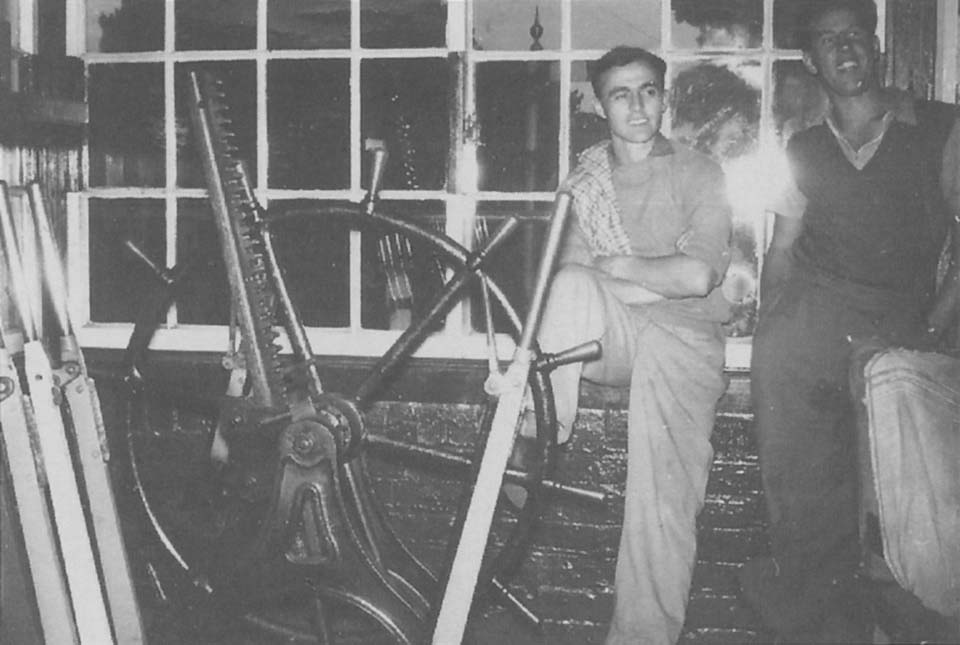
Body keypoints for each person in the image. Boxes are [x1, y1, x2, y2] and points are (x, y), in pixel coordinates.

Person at [740, 1, 960, 641]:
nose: (845, 50)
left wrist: (930, 329)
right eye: (828, 42)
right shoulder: (803, 146)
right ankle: (814, 622)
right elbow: (782, 251)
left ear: (877, 46)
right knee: (801, 480)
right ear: (810, 61)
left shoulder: (939, 128)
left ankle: (900, 618)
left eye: (856, 36)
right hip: (813, 316)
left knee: (893, 478)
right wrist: (767, 329)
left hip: (897, 317)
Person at [526, 45, 733, 644]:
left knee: (661, 505)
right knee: (566, 286)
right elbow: (569, 277)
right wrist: (651, 278)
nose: (638, 106)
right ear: (599, 103)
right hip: (616, 333)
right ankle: (537, 437)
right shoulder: (585, 178)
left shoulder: (700, 172)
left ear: (664, 97)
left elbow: (699, 279)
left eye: (648, 91)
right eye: (621, 94)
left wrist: (616, 265)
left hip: (685, 342)